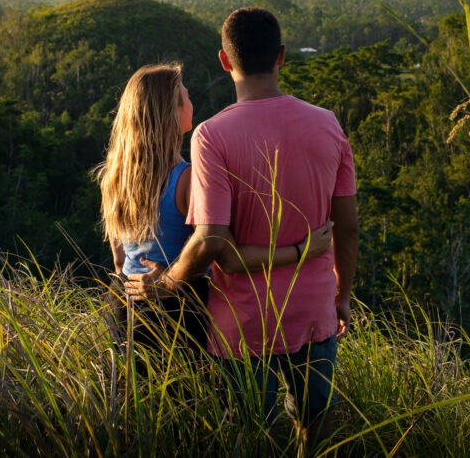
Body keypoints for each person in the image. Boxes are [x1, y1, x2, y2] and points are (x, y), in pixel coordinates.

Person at [124, 8, 359, 446]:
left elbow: (212, 238)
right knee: (317, 426)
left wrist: (169, 282)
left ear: (225, 61)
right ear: (281, 57)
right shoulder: (328, 124)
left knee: (253, 435)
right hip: (313, 310)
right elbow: (347, 229)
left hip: (241, 322)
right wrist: (341, 295)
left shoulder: (211, 136)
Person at [95, 62, 333, 355]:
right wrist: (303, 250)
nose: (191, 102)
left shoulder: (115, 178)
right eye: (186, 96)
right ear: (173, 111)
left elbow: (120, 262)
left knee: (134, 398)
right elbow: (225, 254)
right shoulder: (187, 180)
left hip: (125, 307)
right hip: (178, 311)